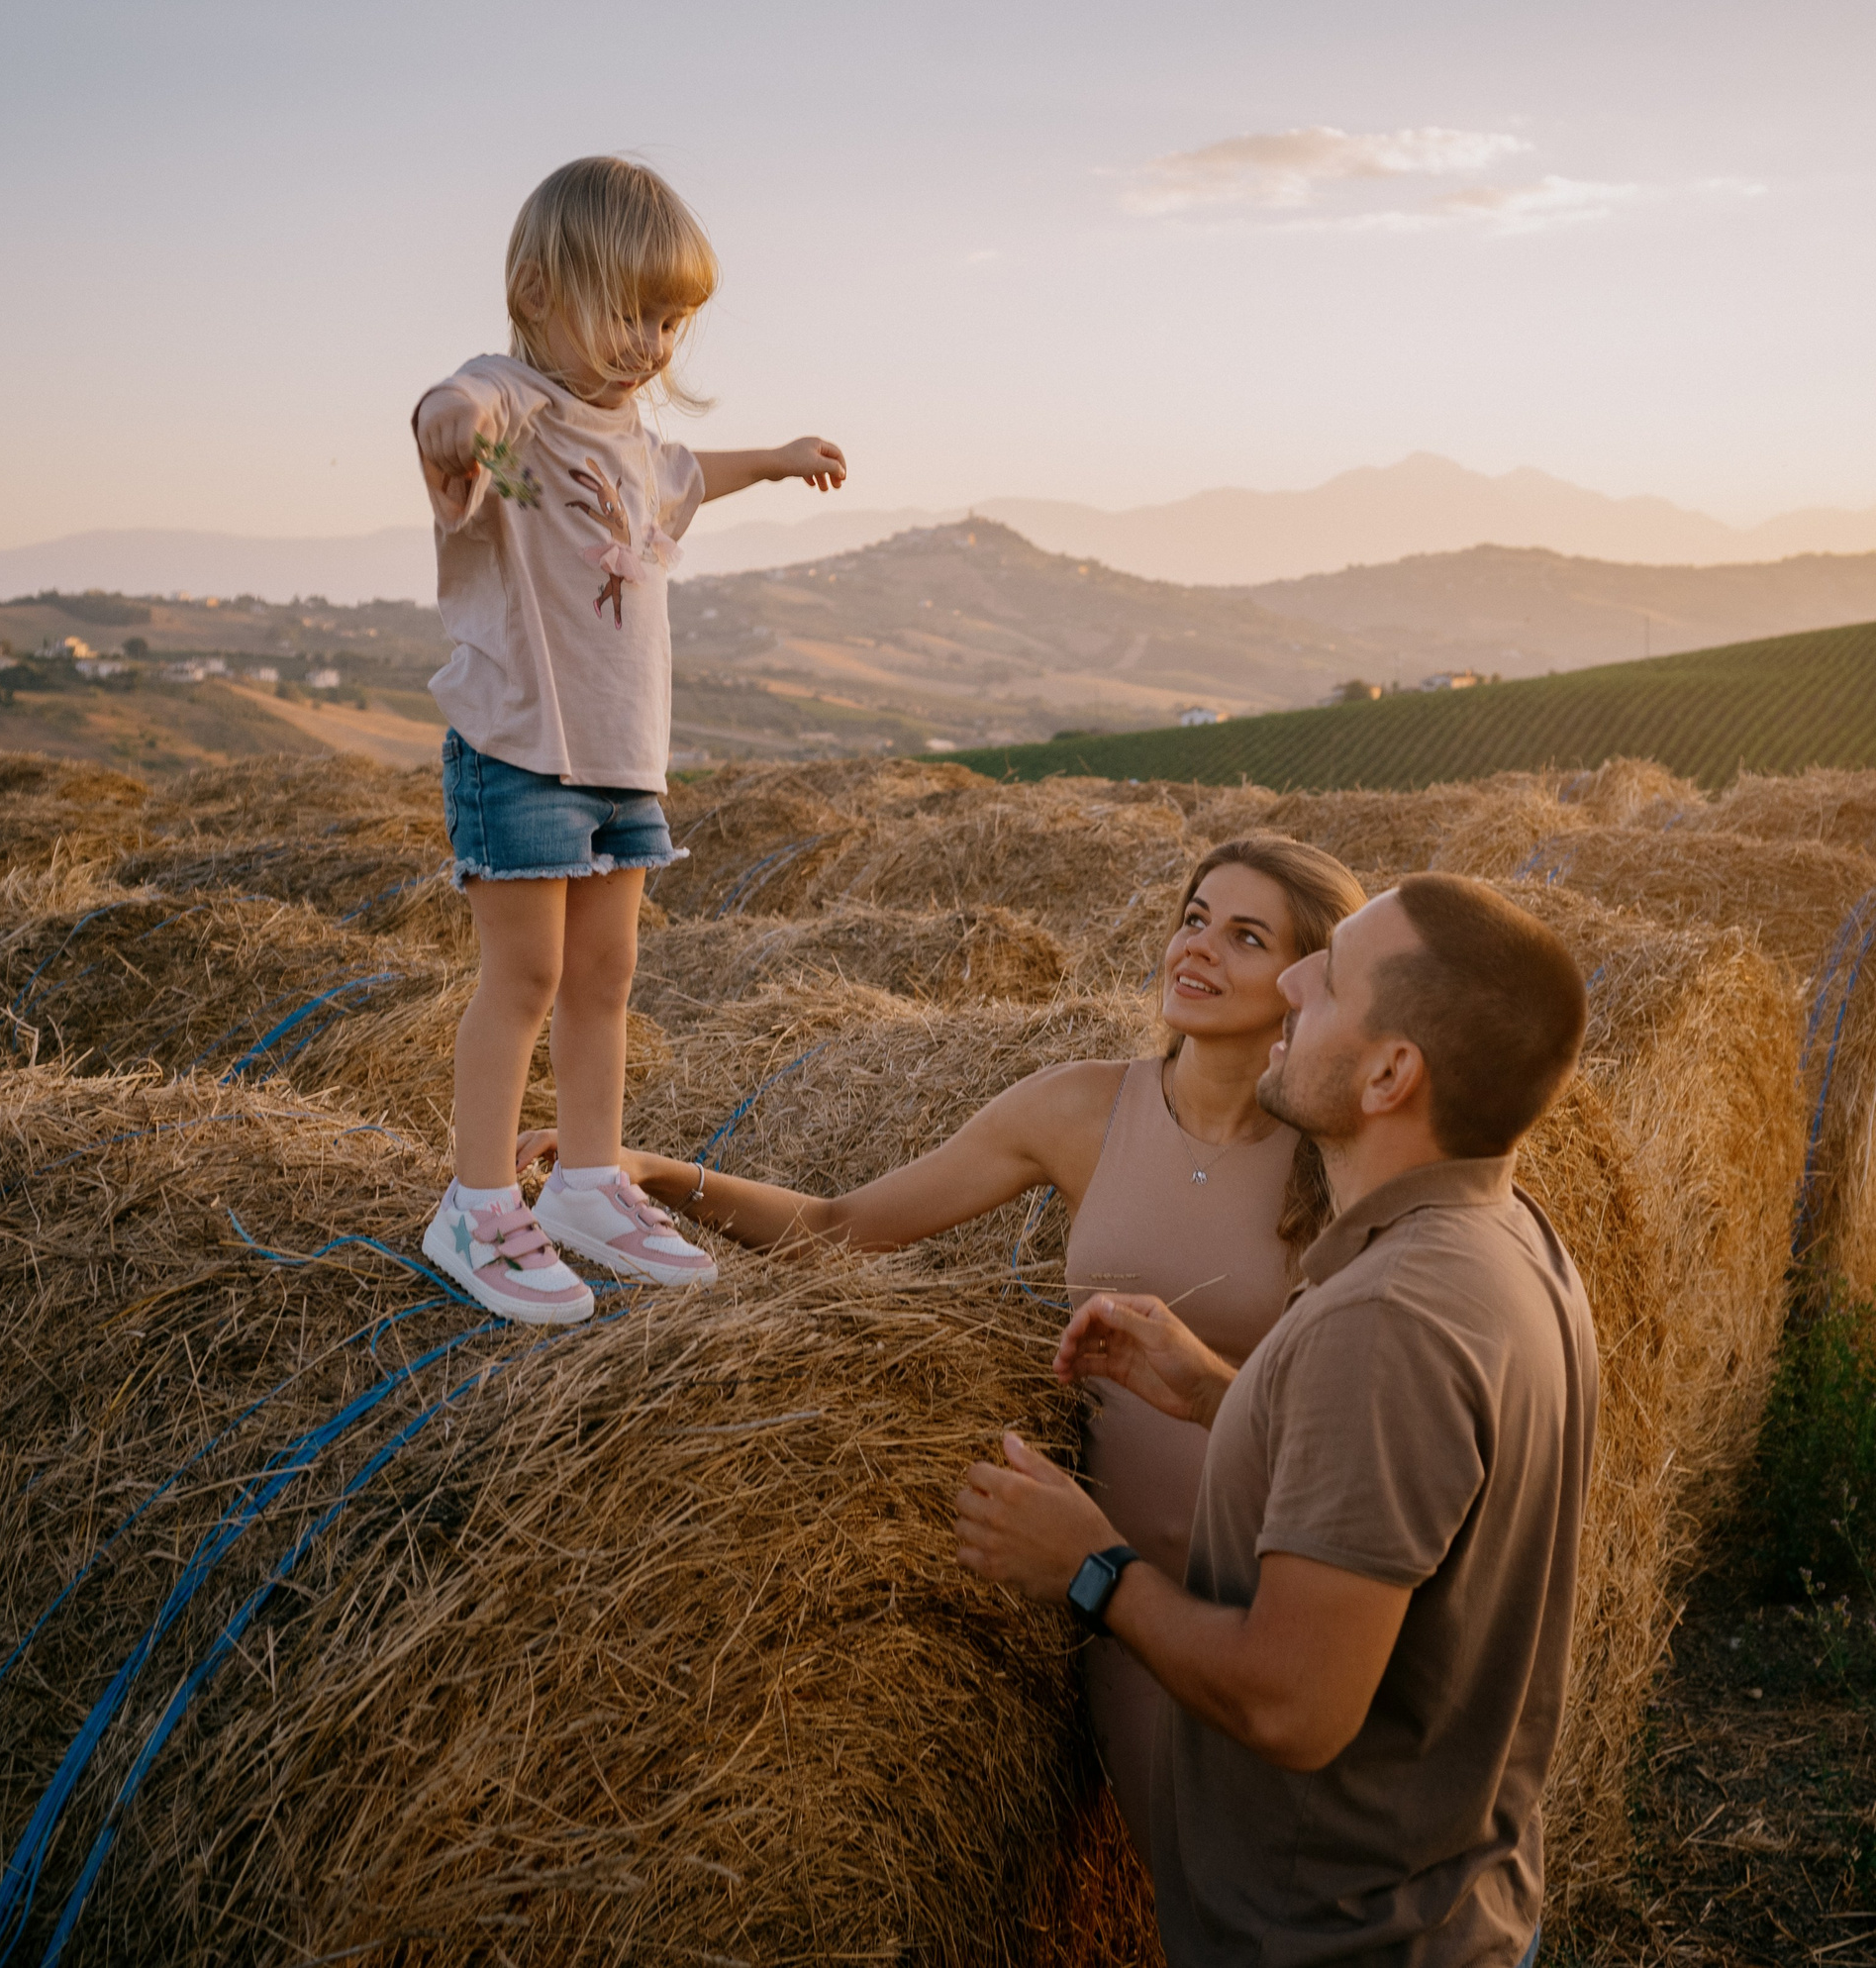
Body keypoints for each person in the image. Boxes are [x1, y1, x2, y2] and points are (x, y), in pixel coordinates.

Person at [523, 834, 1368, 1858]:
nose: (1199, 948)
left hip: (1281, 1590)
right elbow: (842, 1227)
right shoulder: (1081, 1108)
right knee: (1187, 1890)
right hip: (1126, 1596)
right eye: (1194, 918)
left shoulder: (1337, 1159)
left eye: (1245, 936)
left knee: (1308, 1886)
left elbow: (1368, 1409)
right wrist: (655, 1173)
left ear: (1304, 980)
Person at [954, 872, 1599, 1967]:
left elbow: (1293, 1704)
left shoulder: (1387, 1322)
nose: (1292, 982)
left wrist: (1088, 1564)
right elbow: (1409, 1480)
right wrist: (1219, 1390)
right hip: (1458, 1903)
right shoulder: (1506, 1236)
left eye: (1329, 977)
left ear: (1391, 1074)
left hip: (1338, 1943)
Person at [409, 155, 849, 1324]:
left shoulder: (626, 437)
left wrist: (781, 456)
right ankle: (475, 1201)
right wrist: (450, 423)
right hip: (520, 750)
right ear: (538, 290)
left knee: (606, 976)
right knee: (527, 976)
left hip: (619, 761)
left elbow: (686, 472)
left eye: (670, 321)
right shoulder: (515, 410)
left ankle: (588, 1181)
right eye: (631, 313)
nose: (653, 344)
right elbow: (457, 411)